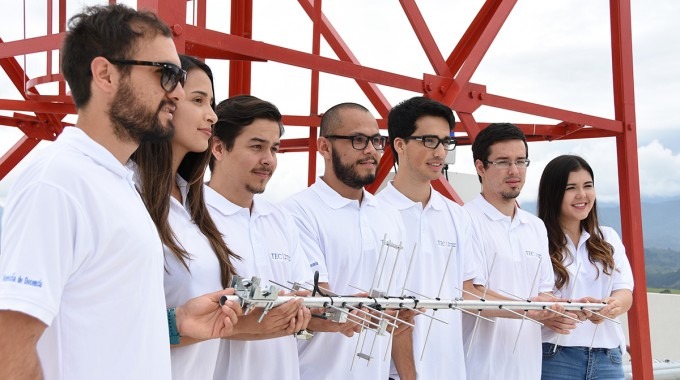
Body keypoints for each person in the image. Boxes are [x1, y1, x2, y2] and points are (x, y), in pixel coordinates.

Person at [0, 5, 238, 379]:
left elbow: (108, 327)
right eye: (166, 74)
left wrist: (180, 323)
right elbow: (8, 346)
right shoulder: (59, 182)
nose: (176, 92)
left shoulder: (119, 184)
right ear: (105, 75)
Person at [282, 102, 415, 380]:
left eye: (376, 141)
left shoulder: (390, 216)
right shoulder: (295, 212)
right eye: (358, 140)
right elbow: (311, 302)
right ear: (324, 147)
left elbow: (399, 321)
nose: (371, 150)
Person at [130, 55, 243, 379]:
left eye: (212, 102)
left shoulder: (193, 203)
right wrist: (174, 324)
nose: (212, 115)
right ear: (165, 102)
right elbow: (97, 321)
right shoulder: (126, 193)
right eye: (198, 100)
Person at [206, 95, 312, 380]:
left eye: (274, 149)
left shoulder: (281, 220)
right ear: (218, 148)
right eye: (256, 147)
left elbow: (300, 300)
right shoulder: (190, 217)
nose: (268, 160)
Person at [377, 96, 478, 379]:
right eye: (429, 140)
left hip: (451, 371)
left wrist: (536, 307)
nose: (440, 152)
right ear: (399, 144)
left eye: (446, 142)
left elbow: (467, 290)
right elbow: (389, 311)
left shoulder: (457, 216)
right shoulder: (375, 216)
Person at [462, 123, 571, 380]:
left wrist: (566, 308)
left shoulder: (535, 226)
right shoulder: (463, 219)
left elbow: (542, 292)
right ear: (480, 167)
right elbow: (467, 293)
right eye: (502, 162)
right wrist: (528, 309)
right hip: (476, 369)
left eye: (521, 161)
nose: (514, 171)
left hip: (527, 368)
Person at [537, 155, 633, 380]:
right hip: (555, 357)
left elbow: (625, 291)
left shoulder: (608, 237)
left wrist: (612, 306)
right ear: (554, 193)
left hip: (608, 358)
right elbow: (532, 295)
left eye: (587, 186)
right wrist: (561, 310)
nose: (582, 195)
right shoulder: (537, 238)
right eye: (571, 188)